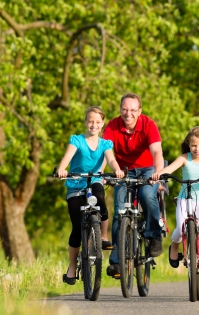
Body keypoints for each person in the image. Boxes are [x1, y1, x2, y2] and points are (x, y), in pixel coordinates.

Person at [57, 106, 124, 285]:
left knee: (101, 201)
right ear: (85, 122)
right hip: (76, 184)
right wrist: (62, 169)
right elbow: (68, 156)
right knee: (77, 228)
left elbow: (110, 159)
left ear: (102, 124)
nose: (93, 125)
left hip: (94, 180)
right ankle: (72, 267)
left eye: (97, 122)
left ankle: (102, 236)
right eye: (90, 121)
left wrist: (116, 169)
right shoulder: (77, 140)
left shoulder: (105, 144)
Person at [102, 93, 165, 278]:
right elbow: (106, 152)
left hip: (148, 169)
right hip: (123, 170)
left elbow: (157, 152)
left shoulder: (148, 124)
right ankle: (117, 262)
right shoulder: (112, 126)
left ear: (139, 111)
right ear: (120, 109)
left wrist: (158, 174)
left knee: (147, 195)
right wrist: (103, 174)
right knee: (119, 211)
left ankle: (153, 235)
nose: (128, 113)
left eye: (132, 110)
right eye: (124, 109)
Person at [151, 126, 199, 277]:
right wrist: (157, 175)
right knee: (180, 227)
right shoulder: (184, 158)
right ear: (189, 145)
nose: (197, 149)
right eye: (193, 145)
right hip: (185, 199)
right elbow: (170, 169)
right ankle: (174, 247)